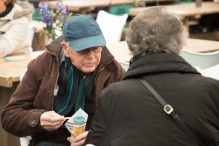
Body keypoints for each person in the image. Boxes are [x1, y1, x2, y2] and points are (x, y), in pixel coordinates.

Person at [84, 7, 219, 146]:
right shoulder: (211, 90)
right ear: (181, 44)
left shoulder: (112, 96)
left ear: (131, 47)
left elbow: (97, 142)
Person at [1, 14, 125, 146]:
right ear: (65, 48)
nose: (91, 57)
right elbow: (9, 117)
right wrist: (39, 119)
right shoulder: (42, 65)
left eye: (96, 49)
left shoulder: (112, 70)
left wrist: (99, 137)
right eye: (83, 50)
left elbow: (132, 117)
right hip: (51, 141)